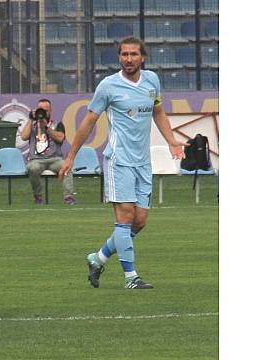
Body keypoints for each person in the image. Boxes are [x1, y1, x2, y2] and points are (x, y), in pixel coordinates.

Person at [58, 37, 187, 289]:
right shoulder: (108, 86)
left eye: (133, 54)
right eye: (124, 54)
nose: (129, 59)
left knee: (139, 222)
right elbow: (89, 121)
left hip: (142, 162)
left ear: (143, 57)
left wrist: (171, 140)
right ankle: (131, 277)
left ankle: (98, 258)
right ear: (119, 57)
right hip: (118, 160)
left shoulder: (152, 81)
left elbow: (158, 111)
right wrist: (71, 156)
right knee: (125, 216)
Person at [20, 98, 75, 205]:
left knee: (66, 166)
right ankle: (38, 196)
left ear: (51, 110)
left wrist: (46, 127)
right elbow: (23, 137)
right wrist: (31, 119)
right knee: (32, 168)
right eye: (41, 109)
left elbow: (60, 138)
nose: (43, 112)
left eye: (46, 110)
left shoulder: (57, 124)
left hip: (55, 159)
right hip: (36, 160)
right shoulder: (32, 125)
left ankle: (69, 197)